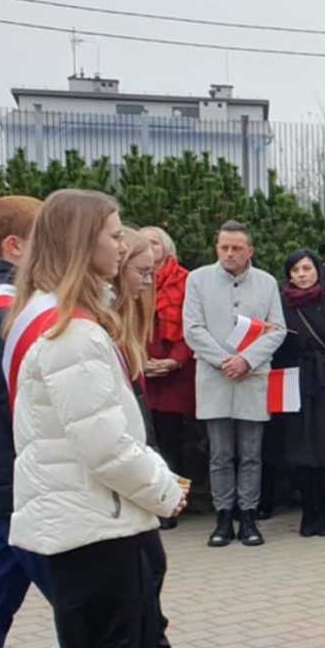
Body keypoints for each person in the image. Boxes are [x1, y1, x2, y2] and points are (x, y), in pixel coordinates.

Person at [0, 188, 191, 648]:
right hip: (93, 523)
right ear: (79, 242)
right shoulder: (74, 336)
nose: (124, 245)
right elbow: (106, 447)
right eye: (114, 234)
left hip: (86, 518)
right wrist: (164, 490)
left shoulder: (68, 323)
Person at [183, 220, 286, 548]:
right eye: (224, 247)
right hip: (215, 378)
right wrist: (225, 360)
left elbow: (277, 329)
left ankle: (249, 517)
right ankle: (223, 516)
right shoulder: (197, 279)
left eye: (237, 248)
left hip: (251, 378)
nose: (229, 253)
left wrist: (246, 360)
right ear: (217, 248)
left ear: (249, 250)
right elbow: (193, 328)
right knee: (220, 453)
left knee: (252, 453)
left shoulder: (267, 283)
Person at [271, 250, 325, 538]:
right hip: (293, 379)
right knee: (299, 448)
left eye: (306, 268)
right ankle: (307, 512)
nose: (301, 275)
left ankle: (322, 511)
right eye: (295, 270)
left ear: (317, 271)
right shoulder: (281, 302)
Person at [139, 227, 199, 530]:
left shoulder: (185, 280)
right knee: (146, 441)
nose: (149, 247)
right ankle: (151, 502)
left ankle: (173, 504)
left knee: (172, 441)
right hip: (142, 369)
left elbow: (192, 325)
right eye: (144, 242)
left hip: (175, 373)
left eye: (155, 242)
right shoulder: (132, 278)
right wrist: (139, 360)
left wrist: (174, 360)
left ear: (166, 248)